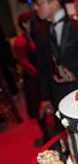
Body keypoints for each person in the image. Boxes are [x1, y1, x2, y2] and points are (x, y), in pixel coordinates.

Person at [33, 0, 78, 123]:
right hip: (56, 94)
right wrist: (45, 98)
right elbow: (42, 67)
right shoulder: (39, 31)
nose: (35, 7)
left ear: (54, 3)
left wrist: (75, 76)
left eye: (39, 3)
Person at [14, 12, 50, 145]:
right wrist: (40, 74)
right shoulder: (20, 41)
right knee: (37, 106)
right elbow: (24, 63)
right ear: (24, 24)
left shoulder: (38, 36)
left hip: (42, 76)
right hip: (33, 80)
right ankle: (45, 133)